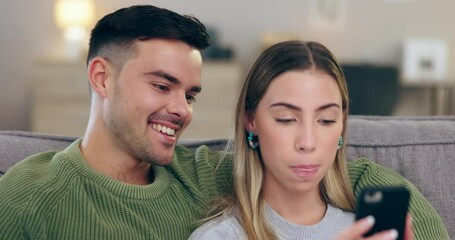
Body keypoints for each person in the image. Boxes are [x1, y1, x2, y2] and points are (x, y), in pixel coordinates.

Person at [0, 4, 448, 240]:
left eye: (191, 94)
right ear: (102, 76)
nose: (182, 109)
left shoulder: (199, 174)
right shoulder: (29, 197)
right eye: (162, 86)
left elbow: (322, 167)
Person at [189, 41, 448, 240]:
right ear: (251, 121)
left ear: (342, 127)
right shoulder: (220, 236)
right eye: (286, 119)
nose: (308, 142)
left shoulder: (365, 233)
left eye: (326, 120)